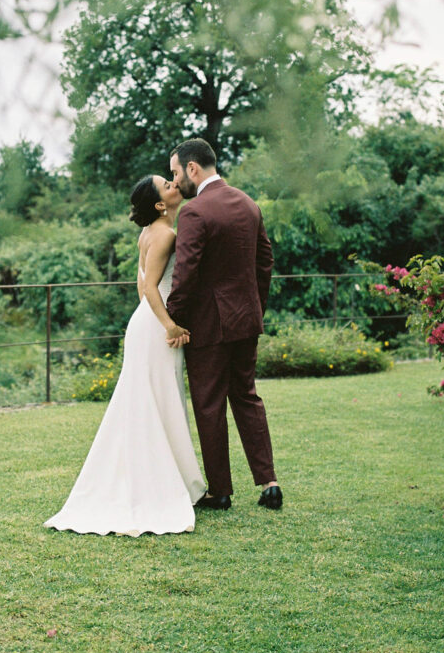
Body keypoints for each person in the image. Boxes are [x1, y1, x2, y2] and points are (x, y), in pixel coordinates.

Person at [44, 174, 206, 536]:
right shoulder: (164, 233)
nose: (174, 185)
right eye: (167, 185)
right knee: (158, 401)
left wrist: (153, 320)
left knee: (154, 400)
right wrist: (169, 325)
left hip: (144, 323)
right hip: (156, 325)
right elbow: (150, 286)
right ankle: (159, 485)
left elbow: (140, 285)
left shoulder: (147, 232)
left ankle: (172, 476)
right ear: (161, 204)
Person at [167, 138, 282, 511]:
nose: (176, 181)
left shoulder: (195, 212)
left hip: (209, 327)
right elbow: (265, 262)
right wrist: (254, 308)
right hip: (247, 321)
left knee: (209, 404)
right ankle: (269, 482)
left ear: (193, 169)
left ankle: (221, 491)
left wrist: (173, 319)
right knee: (247, 396)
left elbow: (184, 276)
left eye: (176, 173)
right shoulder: (249, 204)